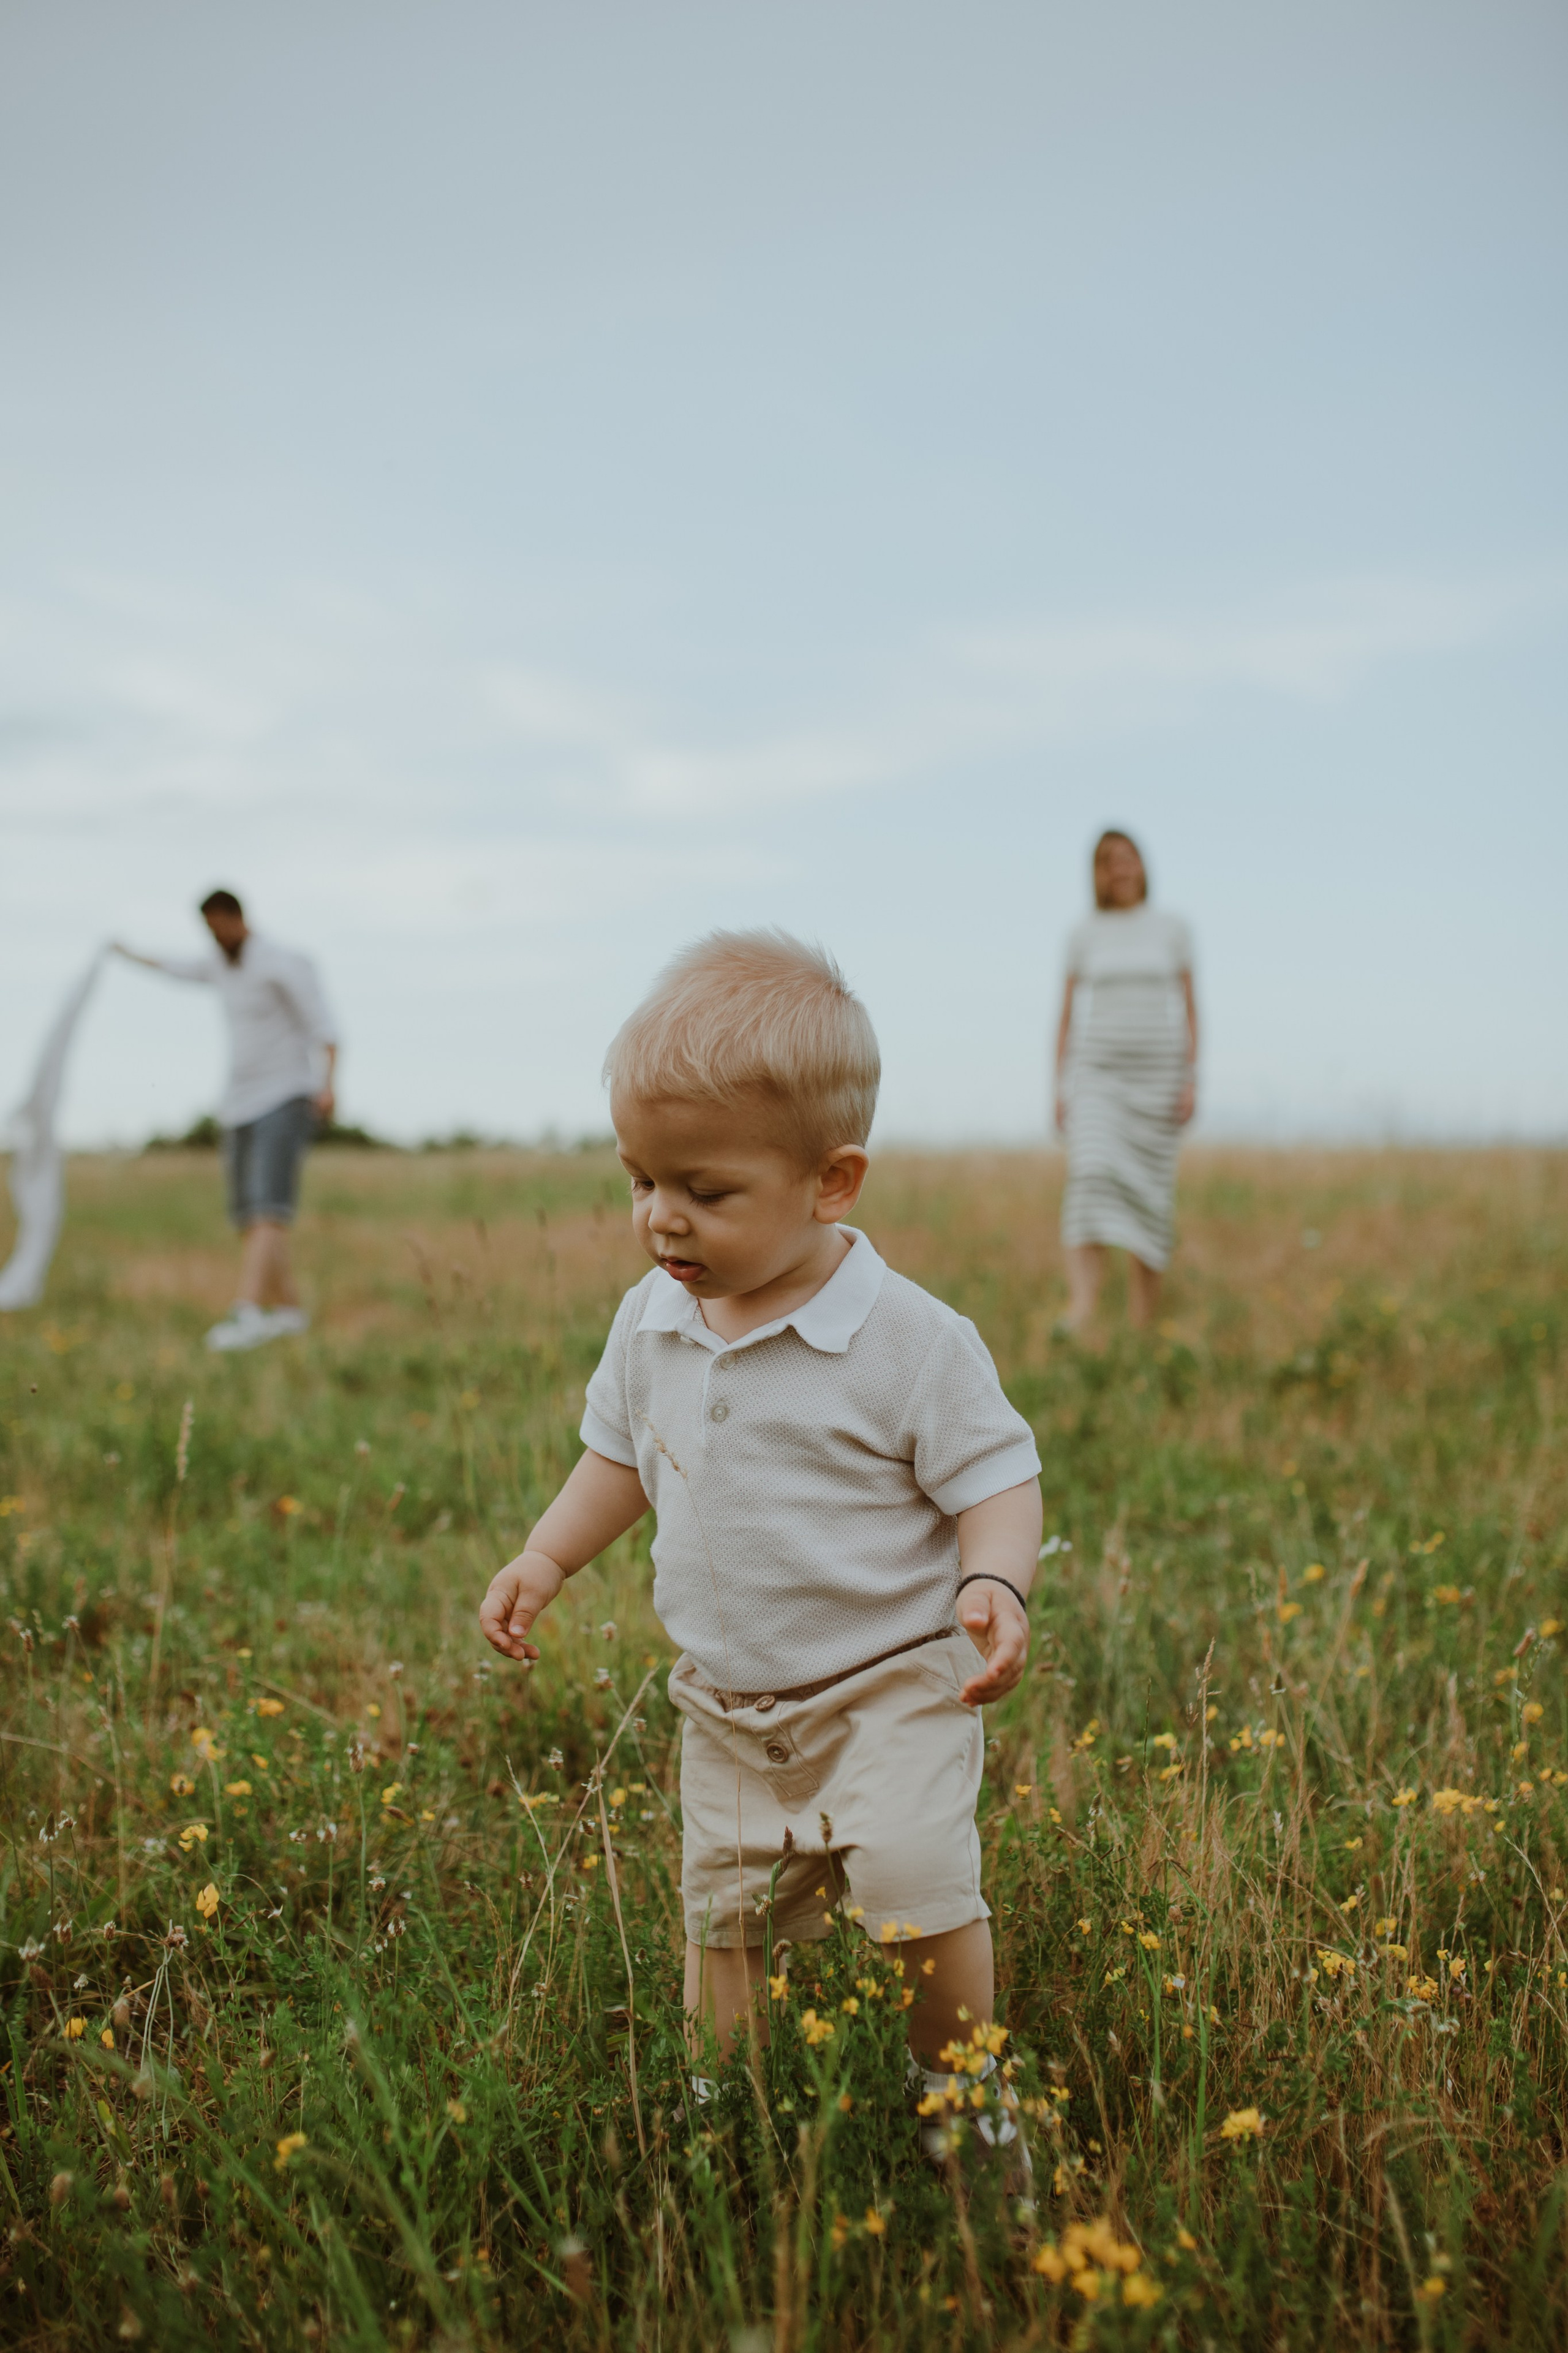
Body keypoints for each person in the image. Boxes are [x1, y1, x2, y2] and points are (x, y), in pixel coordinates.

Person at [478, 930, 1042, 2172]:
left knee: (915, 1891)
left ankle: (960, 2089)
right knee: (721, 1921)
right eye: (639, 1181)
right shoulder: (653, 1319)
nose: (659, 1220)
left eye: (704, 1191)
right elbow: (619, 1454)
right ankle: (719, 2113)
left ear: (830, 1183)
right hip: (726, 1701)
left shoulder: (907, 1338)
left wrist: (991, 1577)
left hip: (893, 1681)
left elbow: (997, 1472)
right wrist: (546, 1556)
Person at [114, 890, 338, 1352]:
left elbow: (326, 1028)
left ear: (238, 918)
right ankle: (290, 1311)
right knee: (247, 1216)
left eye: (221, 928)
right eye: (209, 932)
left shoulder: (282, 962)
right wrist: (125, 953)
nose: (216, 939)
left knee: (268, 1209)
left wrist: (328, 1084)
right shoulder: (220, 964)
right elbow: (174, 967)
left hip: (286, 1094)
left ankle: (247, 1310)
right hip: (239, 1103)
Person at [1053, 829, 1197, 1332]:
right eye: (1108, 861)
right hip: (1099, 1076)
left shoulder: (1172, 928)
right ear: (1097, 873)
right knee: (1089, 1176)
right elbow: (1067, 1014)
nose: (1120, 868)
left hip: (1158, 1078)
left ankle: (1143, 1321)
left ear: (1141, 864)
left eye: (1127, 858)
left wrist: (1191, 1079)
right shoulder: (1084, 932)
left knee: (1150, 1198)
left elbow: (1191, 1008)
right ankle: (1083, 1308)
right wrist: (1060, 1085)